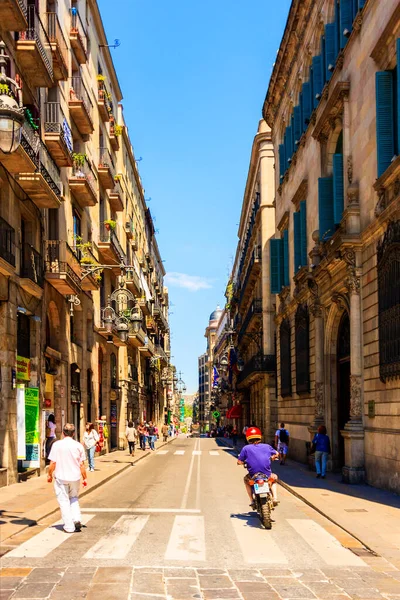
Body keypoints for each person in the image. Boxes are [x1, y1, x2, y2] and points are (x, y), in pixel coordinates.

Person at [47, 423, 87, 534]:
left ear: (63, 433)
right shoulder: (78, 446)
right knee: (74, 498)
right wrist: (85, 478)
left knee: (64, 501)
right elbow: (82, 465)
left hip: (61, 478)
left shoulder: (57, 445)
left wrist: (49, 474)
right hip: (75, 477)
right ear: (73, 433)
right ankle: (76, 519)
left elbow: (53, 463)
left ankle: (69, 526)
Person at [237, 426, 279, 508]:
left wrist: (241, 463)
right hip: (267, 476)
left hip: (253, 476)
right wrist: (273, 457)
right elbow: (276, 453)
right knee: (274, 478)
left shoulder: (246, 448)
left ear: (248, 437)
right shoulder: (267, 446)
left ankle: (252, 501)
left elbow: (239, 461)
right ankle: (275, 498)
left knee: (246, 481)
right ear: (259, 437)